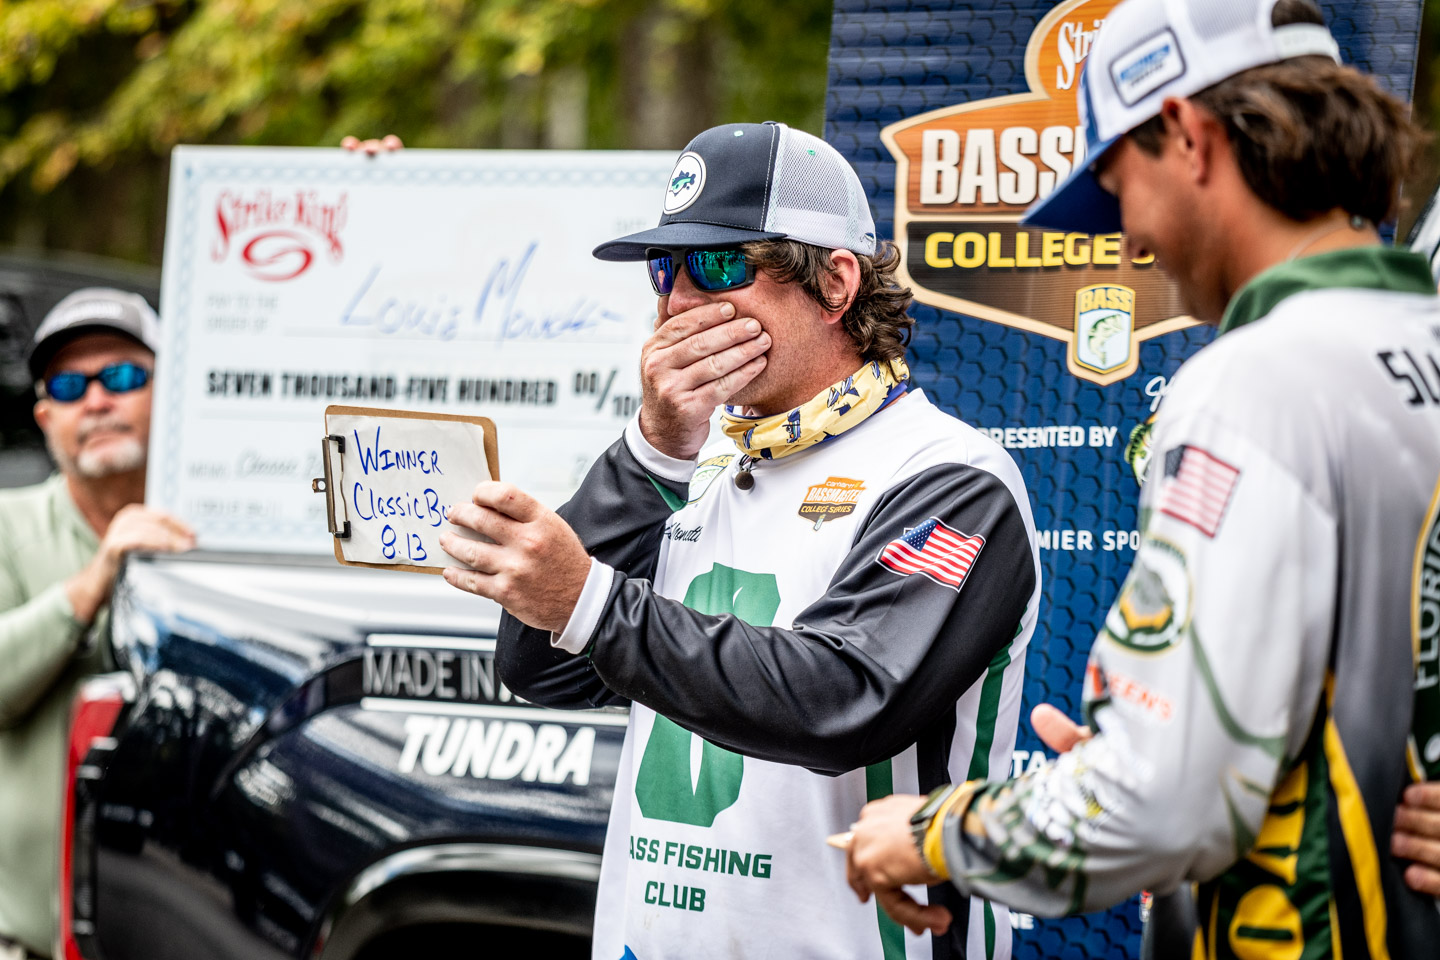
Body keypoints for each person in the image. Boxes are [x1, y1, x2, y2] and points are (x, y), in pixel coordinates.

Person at [842, 0, 1440, 956]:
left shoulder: (1255, 382)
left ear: (1188, 136)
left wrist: (936, 833)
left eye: (1118, 189)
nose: (1127, 244)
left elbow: (1166, 801)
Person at [438, 121, 1042, 958]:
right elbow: (543, 668)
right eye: (665, 269)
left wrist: (592, 600)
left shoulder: (949, 475)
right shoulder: (696, 460)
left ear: (835, 284)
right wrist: (653, 448)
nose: (679, 302)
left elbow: (846, 699)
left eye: (720, 265)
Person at [0, 289, 194, 960]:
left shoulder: (221, 536)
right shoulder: (6, 524)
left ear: (173, 392)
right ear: (45, 417)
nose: (96, 400)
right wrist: (96, 579)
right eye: (68, 386)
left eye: (122, 376)